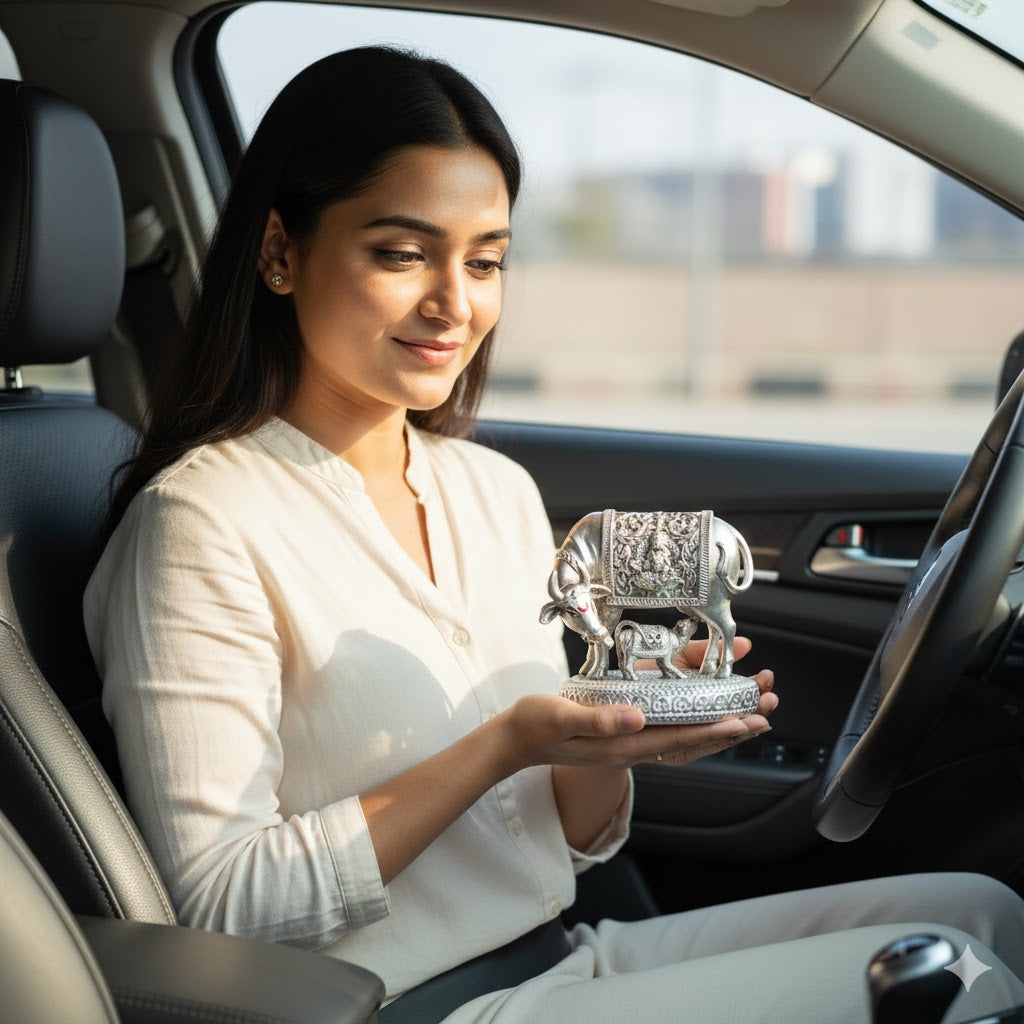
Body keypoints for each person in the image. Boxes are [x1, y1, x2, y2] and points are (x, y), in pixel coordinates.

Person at [84, 45, 1024, 1024]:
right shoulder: (199, 525)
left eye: (484, 259)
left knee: (982, 913)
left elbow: (569, 843)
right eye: (402, 253)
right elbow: (218, 906)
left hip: (559, 959)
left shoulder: (489, 488)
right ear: (280, 251)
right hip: (400, 1003)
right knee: (955, 974)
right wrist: (502, 745)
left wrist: (606, 737)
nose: (455, 303)